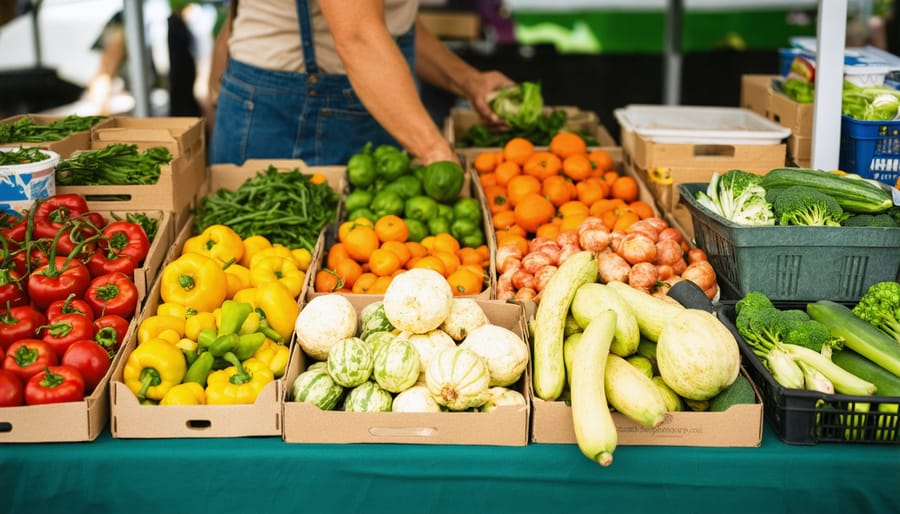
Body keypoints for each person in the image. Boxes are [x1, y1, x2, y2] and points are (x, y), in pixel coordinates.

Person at [209, 0, 514, 166]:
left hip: (364, 100)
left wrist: (469, 81)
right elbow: (358, 35)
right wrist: (435, 151)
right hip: (289, 113)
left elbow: (388, 20)